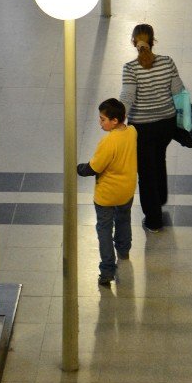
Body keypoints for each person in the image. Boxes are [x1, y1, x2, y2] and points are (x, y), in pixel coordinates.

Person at [119, 24, 185, 233]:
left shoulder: (130, 68)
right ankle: (162, 196)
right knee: (159, 159)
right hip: (167, 124)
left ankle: (154, 220)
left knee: (146, 172)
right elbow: (179, 92)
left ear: (133, 42)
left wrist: (117, 120)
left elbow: (127, 97)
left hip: (142, 128)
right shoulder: (167, 62)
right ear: (153, 40)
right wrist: (184, 122)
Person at [77, 98, 138, 286]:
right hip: (127, 190)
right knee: (124, 219)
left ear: (115, 121)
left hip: (107, 194)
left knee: (104, 229)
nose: (100, 122)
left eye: (103, 119)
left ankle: (107, 271)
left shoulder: (108, 142)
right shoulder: (132, 132)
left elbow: (95, 167)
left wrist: (79, 168)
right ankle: (124, 249)